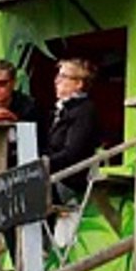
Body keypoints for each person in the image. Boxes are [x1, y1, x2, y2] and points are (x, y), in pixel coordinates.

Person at [47, 58, 102, 199]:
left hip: (68, 180)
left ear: (79, 83)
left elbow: (73, 153)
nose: (56, 81)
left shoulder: (84, 110)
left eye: (63, 76)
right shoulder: (62, 109)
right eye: (57, 75)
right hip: (52, 177)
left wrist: (42, 164)